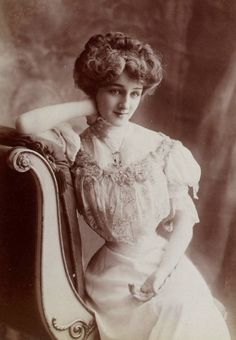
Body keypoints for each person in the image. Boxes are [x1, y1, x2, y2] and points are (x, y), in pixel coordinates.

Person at [16, 32, 231, 340]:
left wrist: (159, 275)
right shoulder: (77, 146)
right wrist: (86, 106)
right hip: (110, 277)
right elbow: (25, 124)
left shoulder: (161, 148)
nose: (125, 104)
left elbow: (184, 221)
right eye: (115, 91)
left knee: (181, 309)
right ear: (95, 90)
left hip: (162, 263)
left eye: (135, 93)